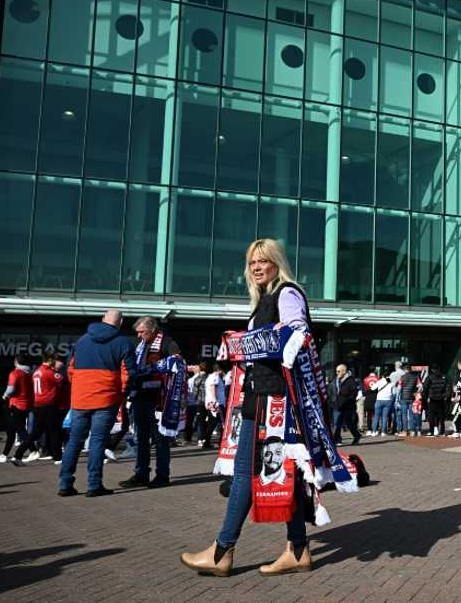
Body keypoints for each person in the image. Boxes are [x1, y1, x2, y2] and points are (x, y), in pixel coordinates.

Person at [181, 238, 315, 576]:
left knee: (244, 474)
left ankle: (222, 551)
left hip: (274, 400)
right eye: (252, 262)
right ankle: (297, 549)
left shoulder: (286, 293)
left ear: (276, 262)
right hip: (265, 396)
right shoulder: (267, 298)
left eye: (263, 261)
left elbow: (299, 332)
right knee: (287, 476)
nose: (256, 267)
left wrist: (280, 338)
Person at [58, 310, 134, 496]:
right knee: (98, 441)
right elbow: (128, 374)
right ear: (121, 322)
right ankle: (94, 485)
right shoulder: (123, 342)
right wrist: (121, 392)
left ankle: (65, 484)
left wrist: (79, 387)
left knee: (74, 441)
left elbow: (71, 369)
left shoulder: (83, 340)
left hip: (80, 397)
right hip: (106, 398)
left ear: (102, 319)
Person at [119, 316, 180, 489]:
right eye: (137, 332)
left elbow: (177, 365)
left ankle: (162, 475)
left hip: (158, 399)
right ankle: (141, 474)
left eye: (142, 332)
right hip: (139, 397)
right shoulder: (141, 345)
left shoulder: (168, 344)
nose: (139, 336)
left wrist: (150, 370)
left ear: (153, 330)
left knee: (160, 439)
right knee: (141, 438)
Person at [12, 354, 65, 465]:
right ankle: (58, 458)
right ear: (50, 360)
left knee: (35, 433)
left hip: (38, 406)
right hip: (49, 405)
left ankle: (18, 454)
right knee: (54, 431)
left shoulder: (36, 372)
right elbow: (62, 381)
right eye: (53, 360)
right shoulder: (49, 372)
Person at [0, 356, 33, 464]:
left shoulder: (15, 373)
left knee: (20, 430)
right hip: (25, 404)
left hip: (16, 404)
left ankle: (34, 450)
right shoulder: (29, 373)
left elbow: (11, 389)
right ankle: (4, 455)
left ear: (16, 362)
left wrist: (4, 396)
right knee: (11, 430)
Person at [329, 364, 360, 445]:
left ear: (344, 371)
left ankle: (357, 436)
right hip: (337, 405)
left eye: (338, 371)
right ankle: (337, 440)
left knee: (349, 424)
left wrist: (348, 400)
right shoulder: (335, 380)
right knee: (336, 424)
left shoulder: (350, 380)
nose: (337, 373)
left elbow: (354, 393)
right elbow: (331, 391)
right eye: (336, 371)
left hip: (347, 406)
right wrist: (332, 401)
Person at [424, 365, 450, 436]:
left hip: (432, 398)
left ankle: (432, 431)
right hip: (441, 398)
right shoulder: (444, 377)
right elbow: (448, 387)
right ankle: (442, 431)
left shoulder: (429, 377)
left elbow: (425, 388)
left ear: (432, 370)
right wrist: (446, 396)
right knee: (441, 416)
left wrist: (426, 397)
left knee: (431, 416)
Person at [398, 363, 421, 436]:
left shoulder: (402, 377)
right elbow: (420, 386)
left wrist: (397, 398)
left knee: (404, 415)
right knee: (411, 415)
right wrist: (416, 392)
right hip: (412, 398)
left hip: (403, 398)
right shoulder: (416, 377)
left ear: (405, 370)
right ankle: (412, 431)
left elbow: (399, 388)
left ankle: (404, 431)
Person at [370, 372, 394, 437]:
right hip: (388, 400)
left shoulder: (379, 381)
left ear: (382, 376)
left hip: (379, 400)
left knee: (376, 416)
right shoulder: (391, 383)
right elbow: (393, 392)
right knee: (385, 417)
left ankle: (374, 431)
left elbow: (372, 388)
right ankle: (383, 432)